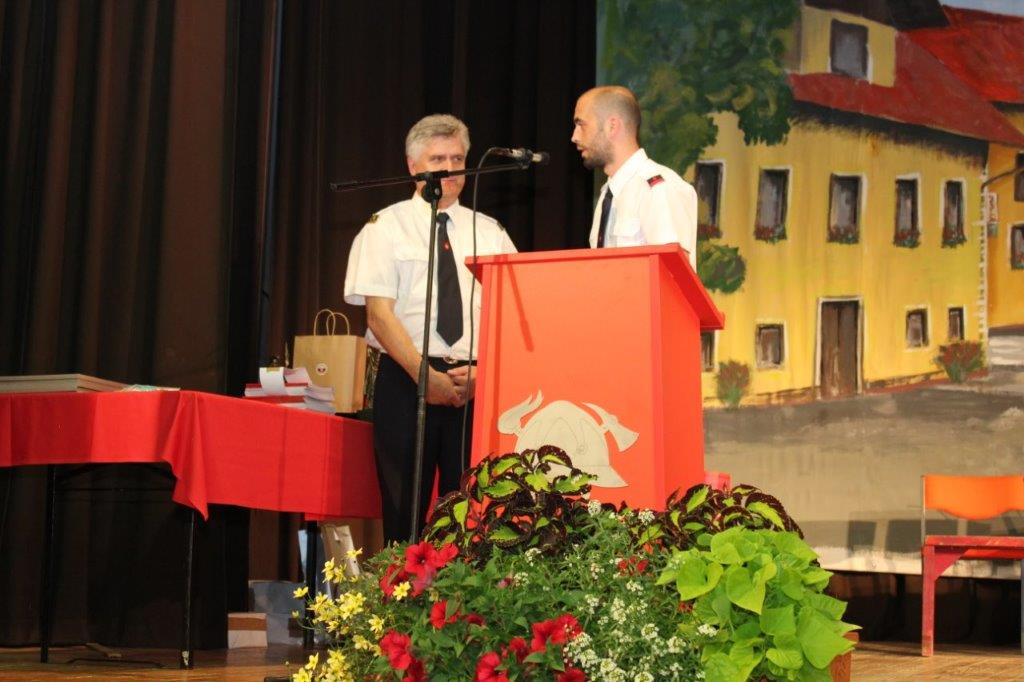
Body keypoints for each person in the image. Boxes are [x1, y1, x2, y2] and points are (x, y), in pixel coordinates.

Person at [344, 114, 517, 544]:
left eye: (457, 159)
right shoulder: (385, 227)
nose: (450, 169)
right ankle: (403, 586)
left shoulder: (491, 232)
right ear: (412, 166)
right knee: (404, 510)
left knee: (473, 515)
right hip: (407, 380)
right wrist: (425, 377)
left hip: (473, 383)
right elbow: (379, 316)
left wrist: (484, 373)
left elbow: (514, 316)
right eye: (437, 159)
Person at [571, 85, 698, 268]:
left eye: (581, 124)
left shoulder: (657, 189)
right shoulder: (608, 194)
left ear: (612, 126)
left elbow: (673, 275)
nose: (574, 136)